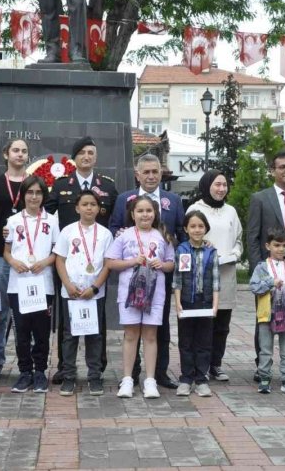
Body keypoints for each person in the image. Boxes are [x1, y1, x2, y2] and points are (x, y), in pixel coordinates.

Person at [46, 136, 118, 384]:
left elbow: (118, 220)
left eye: (91, 152)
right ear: (74, 158)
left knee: (98, 318)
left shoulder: (107, 186)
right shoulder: (61, 184)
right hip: (68, 262)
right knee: (66, 321)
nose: (87, 157)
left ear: (96, 157)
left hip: (98, 264)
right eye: (82, 153)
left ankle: (98, 367)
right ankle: (65, 368)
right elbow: (45, 216)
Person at [110, 153, 184, 389]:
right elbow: (114, 226)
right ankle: (131, 374)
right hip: (131, 277)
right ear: (137, 174)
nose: (151, 176)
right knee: (132, 329)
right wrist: (120, 236)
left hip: (159, 277)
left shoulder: (173, 200)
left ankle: (158, 374)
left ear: (161, 174)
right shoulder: (124, 199)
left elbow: (180, 234)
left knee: (158, 328)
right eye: (147, 172)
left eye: (155, 172)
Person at [246, 150, 285, 382]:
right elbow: (252, 236)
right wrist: (259, 270)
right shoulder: (260, 199)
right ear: (273, 170)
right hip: (268, 271)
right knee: (264, 318)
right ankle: (261, 365)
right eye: (281, 167)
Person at [105, 195, 176, 399]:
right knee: (130, 335)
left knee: (151, 336)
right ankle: (127, 379)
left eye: (149, 211)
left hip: (155, 293)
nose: (145, 214)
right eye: (140, 211)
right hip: (130, 293)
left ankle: (150, 380)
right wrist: (132, 261)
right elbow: (110, 262)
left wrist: (161, 265)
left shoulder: (163, 236)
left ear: (155, 213)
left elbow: (171, 263)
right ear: (132, 214)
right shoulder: (124, 236)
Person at [53, 189, 112, 397]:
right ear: (77, 208)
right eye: (85, 204)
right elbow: (59, 259)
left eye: (93, 204)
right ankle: (69, 375)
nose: (89, 208)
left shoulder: (105, 234)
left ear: (99, 208)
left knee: (94, 336)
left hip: (94, 293)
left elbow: (107, 264)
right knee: (70, 336)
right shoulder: (67, 231)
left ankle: (94, 376)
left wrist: (95, 287)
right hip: (72, 293)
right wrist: (68, 284)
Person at [186, 170, 243, 382]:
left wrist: (236, 253)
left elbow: (238, 238)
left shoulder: (231, 211)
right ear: (207, 185)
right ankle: (198, 364)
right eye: (217, 184)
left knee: (222, 325)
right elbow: (189, 236)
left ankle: (215, 365)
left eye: (224, 185)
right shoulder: (195, 209)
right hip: (202, 273)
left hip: (226, 272)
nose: (221, 189)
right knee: (203, 321)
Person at [4, 176, 59, 394]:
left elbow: (57, 251)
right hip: (18, 285)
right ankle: (25, 372)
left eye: (38, 192)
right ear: (23, 195)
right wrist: (14, 262)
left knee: (41, 331)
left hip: (42, 284)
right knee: (22, 332)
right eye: (30, 192)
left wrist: (45, 262)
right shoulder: (13, 220)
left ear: (43, 196)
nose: (34, 197)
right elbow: (6, 252)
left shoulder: (52, 221)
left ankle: (40, 372)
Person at [0, 138, 29, 380]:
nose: (20, 154)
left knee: (28, 310)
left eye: (24, 151)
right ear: (6, 154)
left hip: (26, 257)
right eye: (15, 150)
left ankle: (29, 358)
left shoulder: (33, 184)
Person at [173, 211, 219, 397]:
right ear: (186, 229)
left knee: (204, 342)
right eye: (192, 226)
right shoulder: (182, 250)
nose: (197, 230)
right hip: (186, 302)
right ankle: (186, 378)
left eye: (200, 226)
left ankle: (201, 379)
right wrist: (177, 303)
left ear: (206, 228)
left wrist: (215, 305)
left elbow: (216, 281)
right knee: (185, 342)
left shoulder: (211, 251)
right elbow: (177, 279)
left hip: (205, 302)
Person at [250, 227, 285, 395]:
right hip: (267, 313)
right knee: (265, 349)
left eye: (284, 245)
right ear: (268, 246)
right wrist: (271, 283)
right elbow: (254, 287)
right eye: (277, 245)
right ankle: (265, 378)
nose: (281, 249)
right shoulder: (261, 267)